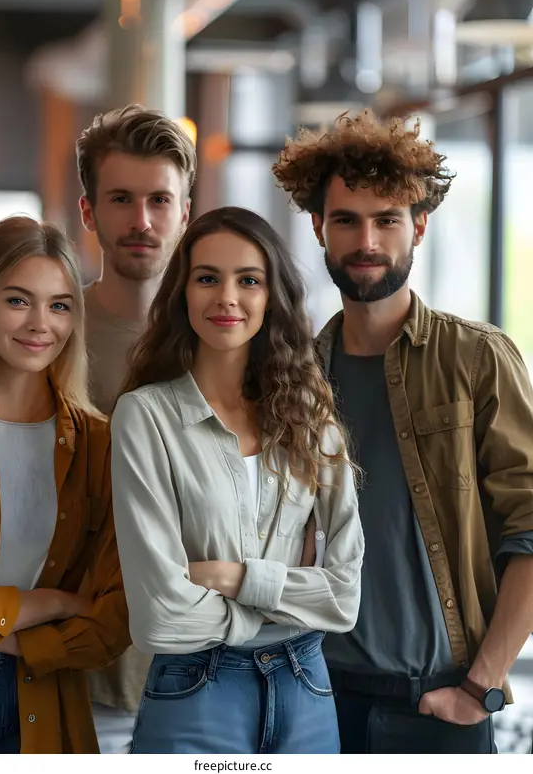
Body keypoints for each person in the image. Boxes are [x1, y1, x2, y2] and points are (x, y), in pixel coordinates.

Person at [272, 109, 533, 754]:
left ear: (418, 225)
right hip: (312, 700)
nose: (368, 240)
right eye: (346, 220)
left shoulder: (477, 359)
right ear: (317, 228)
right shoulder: (293, 378)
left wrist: (482, 686)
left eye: (387, 219)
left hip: (438, 705)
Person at [110, 206, 364, 754]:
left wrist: (232, 576)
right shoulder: (145, 417)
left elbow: (344, 598)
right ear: (182, 293)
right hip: (196, 688)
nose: (227, 297)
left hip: (307, 689)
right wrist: (285, 603)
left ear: (271, 296)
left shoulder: (310, 415)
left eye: (248, 280)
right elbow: (160, 618)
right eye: (208, 278)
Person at [0, 216, 129, 754]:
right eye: (18, 300)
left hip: (49, 708)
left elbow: (112, 622)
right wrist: (54, 601)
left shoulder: (101, 446)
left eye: (59, 305)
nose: (41, 323)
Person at [75, 104, 197, 752]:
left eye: (159, 200)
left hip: (196, 678)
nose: (142, 220)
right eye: (121, 199)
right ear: (89, 212)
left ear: (184, 210)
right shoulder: (40, 333)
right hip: (63, 675)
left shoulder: (223, 344)